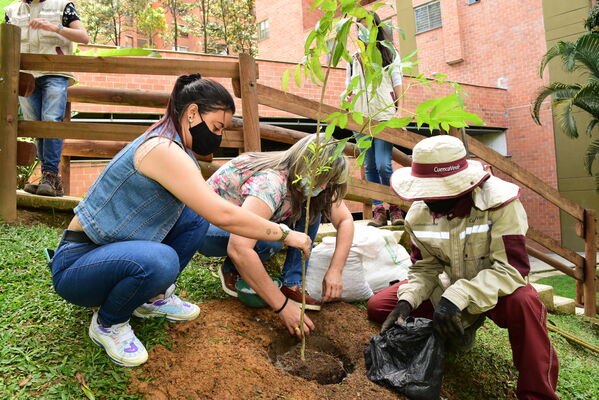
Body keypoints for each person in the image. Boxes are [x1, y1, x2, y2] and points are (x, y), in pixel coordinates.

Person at [49, 74, 312, 367]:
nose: (218, 137)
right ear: (191, 113)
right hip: (77, 266)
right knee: (161, 260)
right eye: (216, 127)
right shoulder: (162, 149)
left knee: (194, 218)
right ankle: (108, 323)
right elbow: (222, 214)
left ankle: (151, 298)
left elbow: (206, 211)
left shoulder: (177, 147)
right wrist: (285, 234)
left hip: (110, 253)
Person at [367, 135, 559, 400]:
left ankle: (537, 393)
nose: (427, 200)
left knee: (526, 302)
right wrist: (407, 301)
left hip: (495, 288)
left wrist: (457, 299)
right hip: (448, 287)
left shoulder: (501, 205)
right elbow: (425, 268)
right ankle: (458, 334)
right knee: (380, 306)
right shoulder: (418, 215)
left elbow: (513, 270)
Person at [198, 135, 354, 312]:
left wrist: (335, 270)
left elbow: (345, 220)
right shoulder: (271, 182)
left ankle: (292, 283)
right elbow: (239, 246)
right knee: (269, 242)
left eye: (329, 181)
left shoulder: (305, 180)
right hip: (203, 228)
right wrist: (282, 306)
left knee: (314, 205)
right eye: (323, 179)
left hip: (243, 224)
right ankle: (231, 268)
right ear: (308, 166)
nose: (325, 186)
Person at [4, 0, 90, 197]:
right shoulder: (12, 10)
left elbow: (83, 37)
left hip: (55, 73)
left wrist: (55, 28)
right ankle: (49, 180)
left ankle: (50, 175)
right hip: (25, 75)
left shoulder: (62, 5)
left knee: (51, 122)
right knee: (36, 126)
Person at [344, 11, 405, 227]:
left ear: (376, 26)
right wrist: (347, 108)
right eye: (359, 25)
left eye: (366, 24)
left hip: (385, 115)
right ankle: (379, 210)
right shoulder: (353, 58)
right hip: (360, 118)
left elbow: (397, 80)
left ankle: (395, 207)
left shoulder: (389, 52)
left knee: (383, 165)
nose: (363, 28)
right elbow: (348, 87)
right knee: (369, 164)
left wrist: (400, 110)